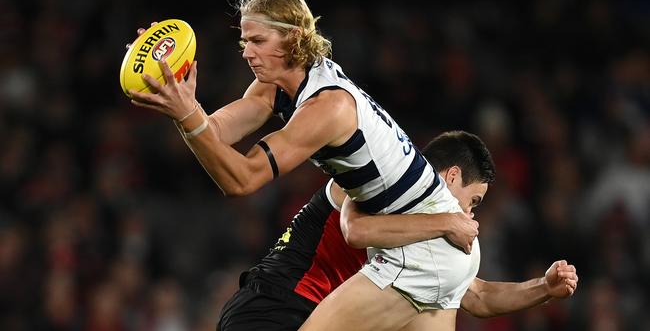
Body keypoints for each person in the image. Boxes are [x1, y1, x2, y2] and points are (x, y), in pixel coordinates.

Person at [127, 0, 550, 330]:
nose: (246, 51)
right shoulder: (284, 84)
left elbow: (242, 179)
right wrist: (174, 93)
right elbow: (214, 132)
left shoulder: (326, 107)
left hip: (423, 250)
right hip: (435, 246)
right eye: (243, 41)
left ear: (292, 39)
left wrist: (187, 116)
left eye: (257, 40)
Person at [217, 131, 578, 331]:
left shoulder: (428, 245)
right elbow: (354, 230)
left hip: (311, 316)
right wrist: (446, 221)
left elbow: (477, 297)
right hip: (273, 304)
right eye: (474, 200)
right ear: (451, 176)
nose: (470, 213)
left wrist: (543, 288)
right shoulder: (384, 177)